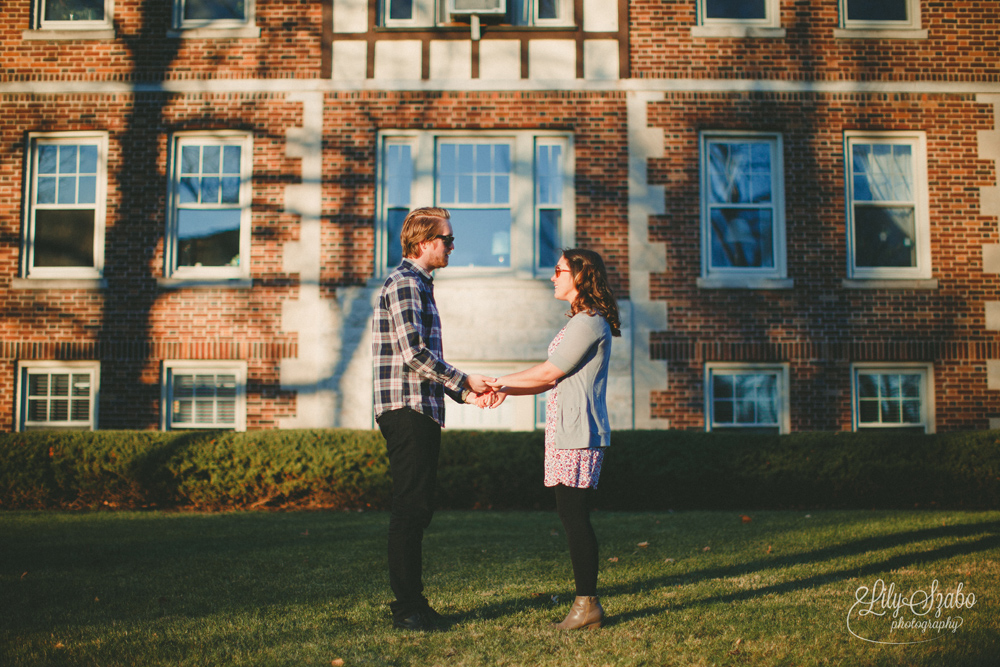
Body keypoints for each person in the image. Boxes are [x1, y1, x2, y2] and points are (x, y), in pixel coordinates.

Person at [372, 206, 494, 632]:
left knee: (418, 506)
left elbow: (424, 361)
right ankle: (407, 609)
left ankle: (414, 602)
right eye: (447, 238)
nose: (453, 245)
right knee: (410, 508)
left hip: (418, 406)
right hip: (407, 410)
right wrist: (465, 380)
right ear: (423, 243)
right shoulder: (405, 283)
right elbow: (415, 355)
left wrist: (464, 392)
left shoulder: (419, 284)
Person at [485, 248, 621, 630]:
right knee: (570, 514)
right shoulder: (582, 320)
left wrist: (498, 383)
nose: (553, 276)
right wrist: (507, 390)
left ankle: (587, 605)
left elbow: (549, 372)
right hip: (567, 431)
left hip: (578, 433)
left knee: (574, 517)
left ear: (580, 275)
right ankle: (586, 602)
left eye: (559, 270)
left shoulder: (588, 321)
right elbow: (552, 377)